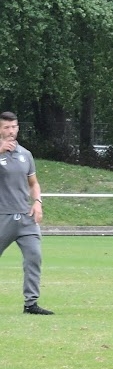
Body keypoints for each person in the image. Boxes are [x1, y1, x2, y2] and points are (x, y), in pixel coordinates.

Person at [0, 111, 52, 314]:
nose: (11, 131)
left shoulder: (25, 154)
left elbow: (33, 183)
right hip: (2, 217)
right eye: (6, 127)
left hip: (25, 217)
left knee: (34, 256)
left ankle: (31, 304)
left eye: (14, 127)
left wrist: (37, 202)